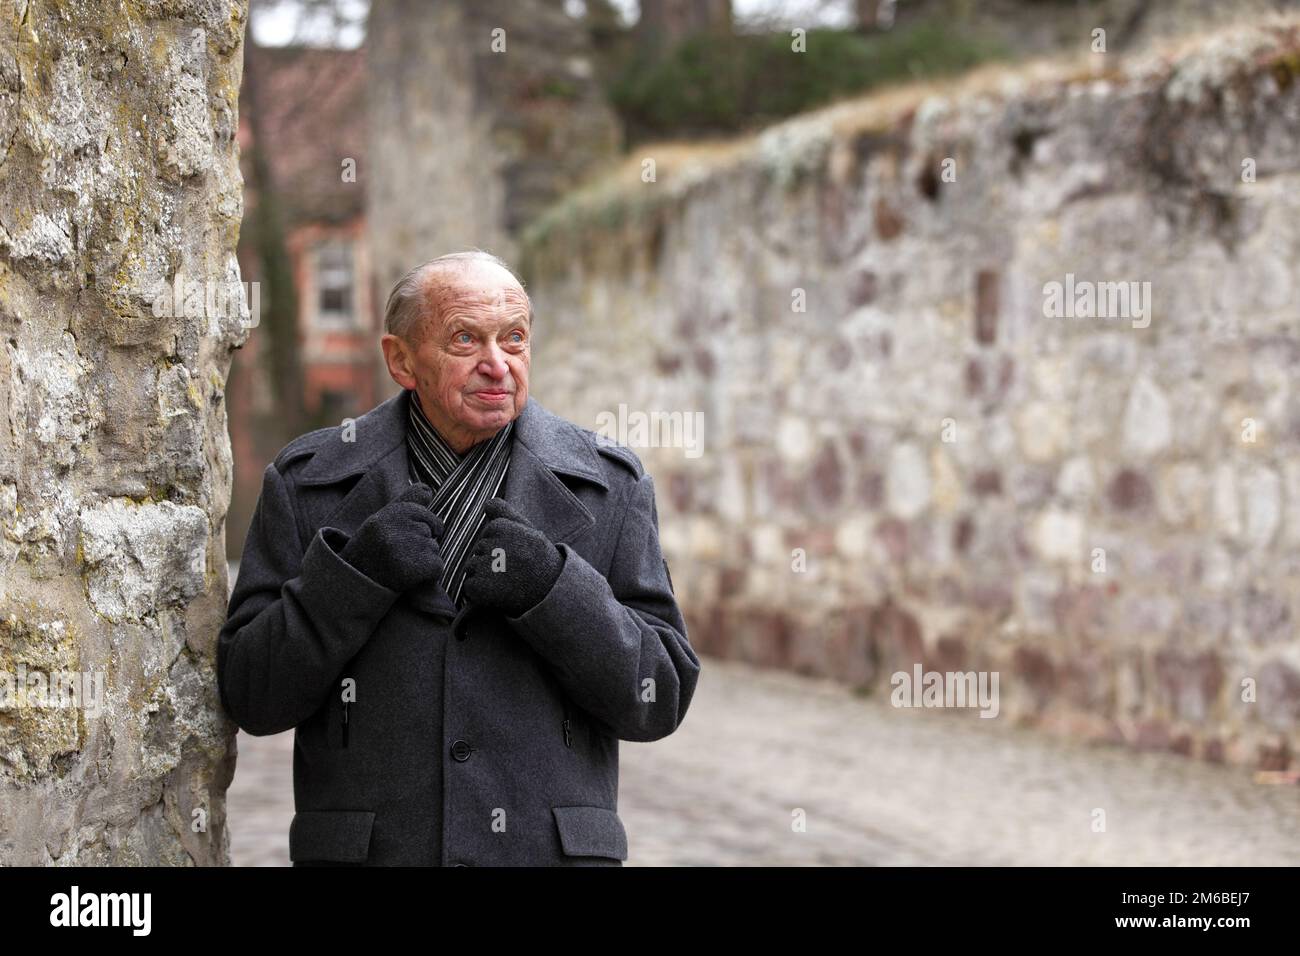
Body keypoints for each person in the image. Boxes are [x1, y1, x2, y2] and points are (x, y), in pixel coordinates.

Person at [217, 250, 700, 866]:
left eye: (515, 339)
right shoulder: (309, 482)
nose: (497, 366)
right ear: (401, 360)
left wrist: (552, 588)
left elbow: (657, 698)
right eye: (465, 339)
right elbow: (253, 696)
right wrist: (352, 578)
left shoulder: (609, 485)